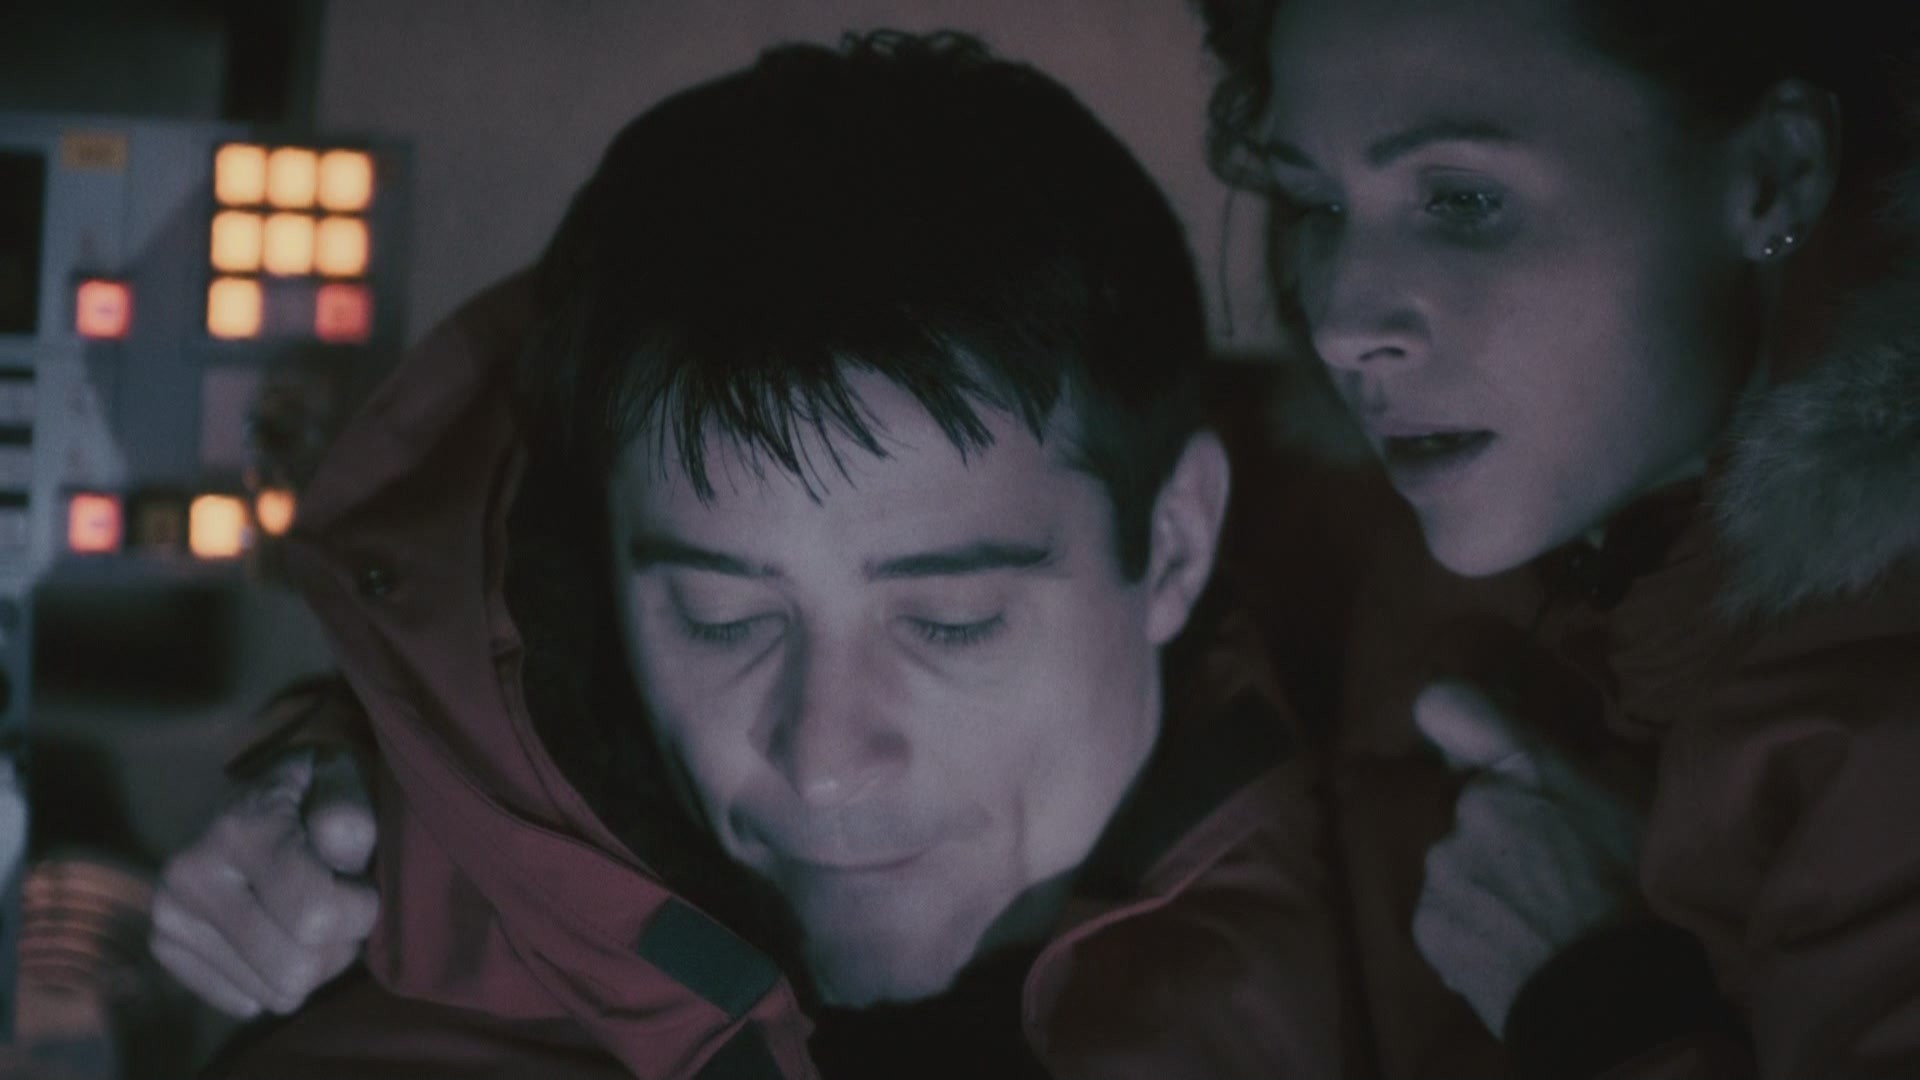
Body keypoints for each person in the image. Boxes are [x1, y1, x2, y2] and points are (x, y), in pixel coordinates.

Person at [154, 32, 1354, 1078]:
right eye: (721, 618)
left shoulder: (1424, 932)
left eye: (950, 619)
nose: (821, 765)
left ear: (1175, 543)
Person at [1196, 0, 1920, 1075]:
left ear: (1774, 173)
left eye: (1461, 199)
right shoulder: (1327, 529)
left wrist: (1604, 1001)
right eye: (1316, 202)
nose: (1342, 321)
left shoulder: (1884, 698)